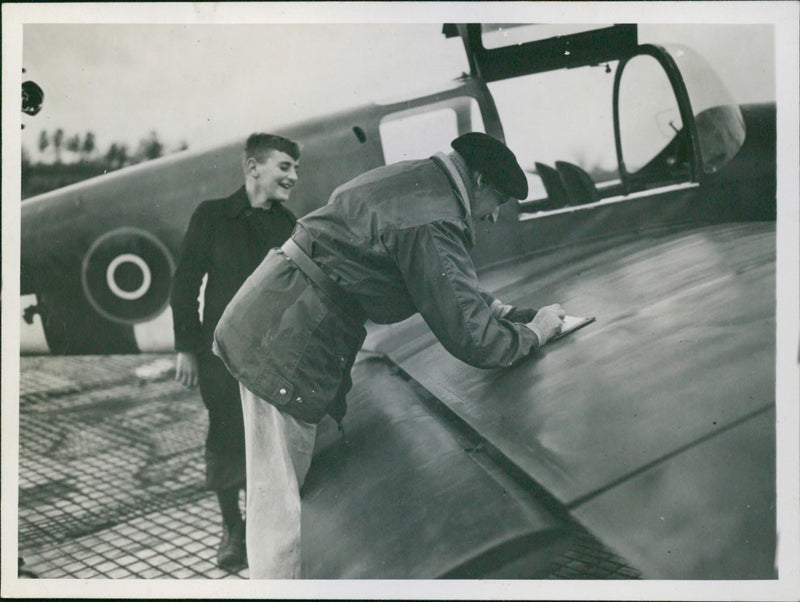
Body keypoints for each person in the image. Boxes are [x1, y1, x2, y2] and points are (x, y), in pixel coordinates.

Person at [213, 132, 565, 578]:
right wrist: (535, 333)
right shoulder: (434, 215)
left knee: (281, 487)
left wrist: (500, 310)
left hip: (278, 316)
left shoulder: (416, 180)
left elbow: (437, 279)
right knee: (280, 502)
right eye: (496, 198)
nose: (494, 215)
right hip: (284, 338)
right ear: (476, 179)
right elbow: (472, 340)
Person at [170, 133, 301, 570]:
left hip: (271, 358)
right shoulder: (211, 217)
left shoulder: (288, 226)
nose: (293, 177)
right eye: (285, 167)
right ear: (253, 168)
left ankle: (269, 530)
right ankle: (232, 529)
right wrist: (187, 349)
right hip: (218, 356)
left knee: (270, 443)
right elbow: (184, 285)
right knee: (227, 438)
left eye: (295, 169)